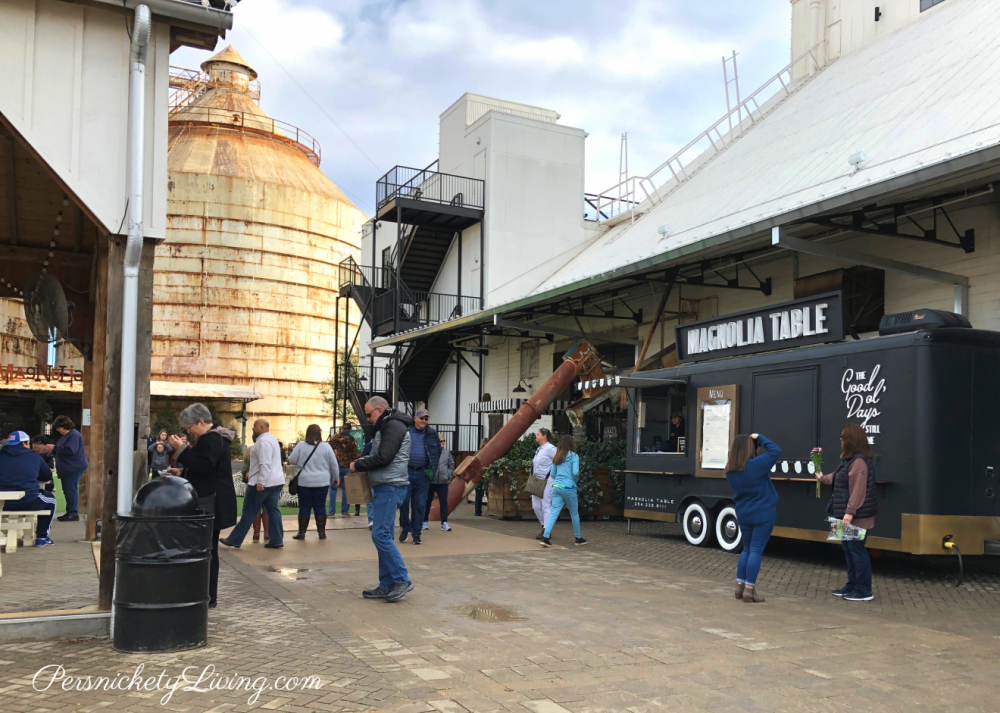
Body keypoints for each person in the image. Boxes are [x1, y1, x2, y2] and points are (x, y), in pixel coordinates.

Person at [166, 404, 238, 608]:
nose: (190, 432)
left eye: (190, 427)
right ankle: (205, 594)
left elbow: (204, 466)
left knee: (207, 550)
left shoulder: (212, 438)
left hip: (210, 502)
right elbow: (206, 467)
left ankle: (207, 595)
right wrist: (183, 472)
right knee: (207, 549)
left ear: (200, 422)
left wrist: (180, 449)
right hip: (212, 500)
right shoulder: (214, 437)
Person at [350, 396, 413, 602]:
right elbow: (384, 455)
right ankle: (386, 584)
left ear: (379, 410)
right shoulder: (390, 424)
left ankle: (401, 579)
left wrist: (359, 465)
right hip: (388, 485)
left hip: (390, 486)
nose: (368, 419)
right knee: (384, 535)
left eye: (369, 415)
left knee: (380, 535)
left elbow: (384, 458)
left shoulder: (393, 425)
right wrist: (365, 460)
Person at [816, 423, 878, 602]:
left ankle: (863, 590)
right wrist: (822, 478)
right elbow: (838, 478)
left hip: (854, 517)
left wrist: (849, 513)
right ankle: (852, 586)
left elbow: (858, 490)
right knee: (849, 550)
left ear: (851, 440)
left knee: (857, 551)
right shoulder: (850, 461)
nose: (841, 439)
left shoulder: (859, 462)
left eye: (843, 436)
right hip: (844, 515)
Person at [725, 433, 782, 604]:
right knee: (756, 551)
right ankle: (750, 589)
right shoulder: (755, 465)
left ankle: (739, 586)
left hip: (744, 513)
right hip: (763, 513)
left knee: (747, 549)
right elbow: (776, 451)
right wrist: (760, 437)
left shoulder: (730, 470)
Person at [220, 418, 284, 549]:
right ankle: (277, 540)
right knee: (273, 510)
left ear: (261, 427)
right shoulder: (272, 440)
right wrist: (254, 472)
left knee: (249, 511)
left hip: (262, 484)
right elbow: (267, 463)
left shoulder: (263, 442)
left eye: (255, 426)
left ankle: (234, 539)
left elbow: (265, 463)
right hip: (275, 482)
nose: (253, 428)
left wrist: (261, 481)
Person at [0, 431, 58, 546]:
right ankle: (41, 537)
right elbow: (47, 476)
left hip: (2, 503)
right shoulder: (34, 457)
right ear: (25, 443)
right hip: (28, 501)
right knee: (51, 501)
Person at [288, 424, 339, 540]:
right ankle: (321, 533)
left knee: (304, 506)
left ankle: (301, 533)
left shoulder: (301, 445)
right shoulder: (326, 447)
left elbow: (291, 460)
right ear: (319, 433)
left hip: (304, 482)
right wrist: (336, 478)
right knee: (320, 506)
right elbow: (334, 465)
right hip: (322, 482)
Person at [398, 408, 441, 545]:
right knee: (403, 502)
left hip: (423, 473)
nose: (424, 421)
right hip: (407, 472)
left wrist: (432, 469)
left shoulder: (432, 433)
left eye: (426, 419)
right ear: (415, 418)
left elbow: (437, 451)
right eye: (421, 418)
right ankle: (405, 528)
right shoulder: (406, 431)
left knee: (420, 504)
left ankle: (416, 533)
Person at [540, 435, 586, 547]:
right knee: (574, 513)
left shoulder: (557, 456)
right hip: (569, 487)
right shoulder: (574, 456)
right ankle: (578, 538)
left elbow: (552, 474)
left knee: (553, 512)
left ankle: (545, 537)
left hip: (556, 487)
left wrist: (559, 479)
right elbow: (575, 472)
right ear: (572, 444)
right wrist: (574, 481)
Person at [48, 415, 88, 523]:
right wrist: (53, 450)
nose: (58, 430)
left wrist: (54, 447)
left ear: (64, 425)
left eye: (58, 427)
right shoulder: (67, 436)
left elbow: (71, 449)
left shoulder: (73, 435)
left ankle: (73, 513)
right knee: (67, 490)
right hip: (68, 468)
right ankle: (70, 511)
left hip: (73, 468)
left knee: (70, 490)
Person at [423, 433, 455, 531]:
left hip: (443, 482)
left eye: (444, 441)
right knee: (427, 502)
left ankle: (444, 522)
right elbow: (425, 464)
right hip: (431, 481)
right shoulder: (430, 452)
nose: (443, 443)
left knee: (444, 502)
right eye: (441, 441)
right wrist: (428, 475)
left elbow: (451, 465)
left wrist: (448, 474)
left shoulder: (447, 453)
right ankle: (424, 521)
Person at [530, 428, 557, 540]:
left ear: (544, 436)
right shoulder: (539, 449)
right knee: (536, 506)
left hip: (547, 480)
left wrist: (554, 474)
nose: (536, 436)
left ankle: (546, 530)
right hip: (537, 480)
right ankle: (544, 525)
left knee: (545, 505)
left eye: (538, 434)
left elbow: (559, 460)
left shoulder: (551, 449)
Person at [329, 424, 359, 517]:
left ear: (342, 429)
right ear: (350, 430)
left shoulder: (335, 438)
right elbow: (355, 454)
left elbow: (329, 449)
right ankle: (344, 511)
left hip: (335, 465)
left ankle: (331, 511)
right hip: (347, 466)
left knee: (333, 488)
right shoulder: (352, 440)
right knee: (346, 490)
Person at [474, 437, 489, 516]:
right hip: (487, 475)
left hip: (479, 475)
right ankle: (490, 510)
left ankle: (478, 512)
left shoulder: (477, 452)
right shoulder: (489, 452)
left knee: (478, 494)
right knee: (489, 494)